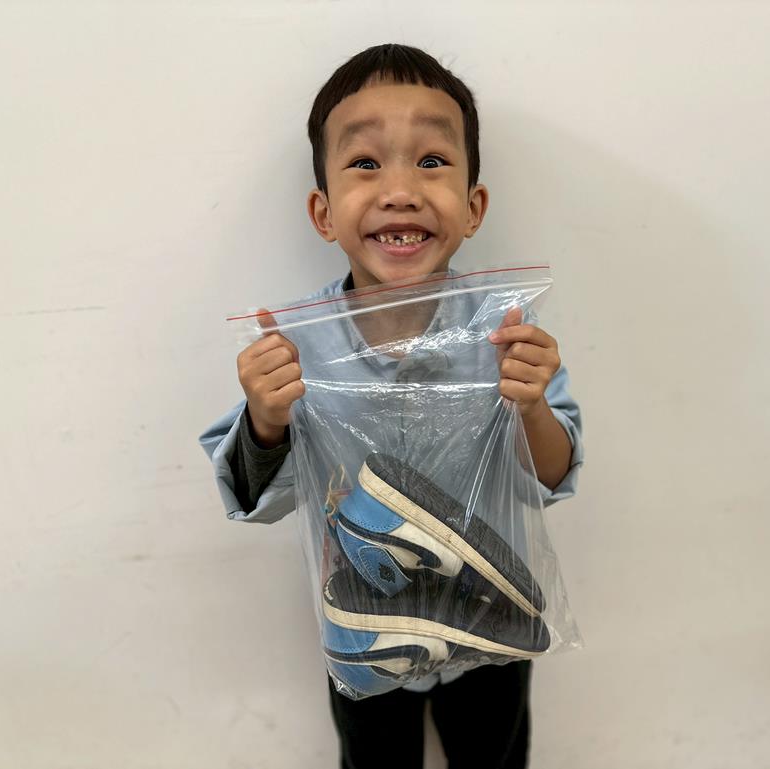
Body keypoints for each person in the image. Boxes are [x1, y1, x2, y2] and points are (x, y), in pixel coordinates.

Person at [198, 43, 583, 769]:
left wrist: (532, 405)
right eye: (366, 162)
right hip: (361, 621)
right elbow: (255, 496)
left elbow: (551, 477)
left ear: (474, 207)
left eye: (432, 160)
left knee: (496, 756)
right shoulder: (297, 344)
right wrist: (267, 419)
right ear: (323, 212)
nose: (400, 189)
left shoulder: (505, 328)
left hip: (489, 613)